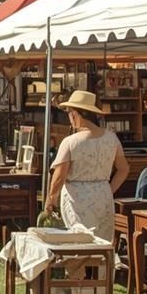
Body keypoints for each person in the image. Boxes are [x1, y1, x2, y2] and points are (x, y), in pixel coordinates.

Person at [44, 91, 130, 241]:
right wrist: (108, 189)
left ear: (76, 114)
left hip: (77, 199)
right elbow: (124, 169)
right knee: (102, 244)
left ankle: (78, 265)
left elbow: (59, 176)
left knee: (78, 244)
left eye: (70, 113)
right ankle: (103, 265)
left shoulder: (70, 142)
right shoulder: (112, 138)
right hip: (103, 196)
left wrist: (50, 200)